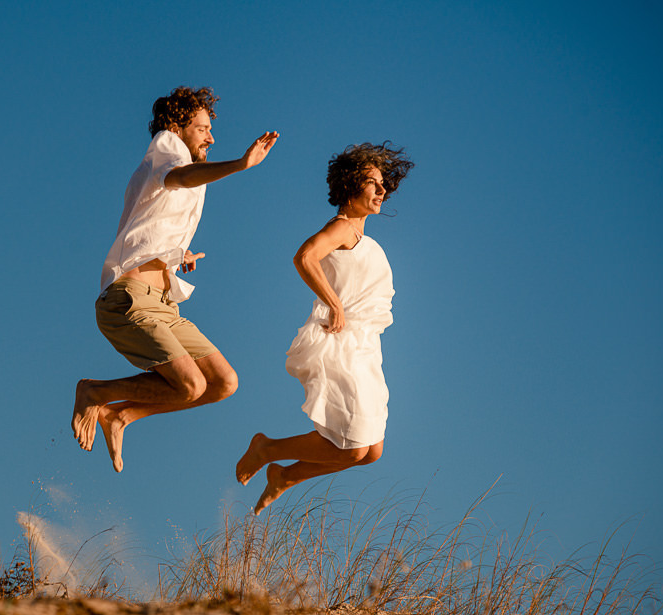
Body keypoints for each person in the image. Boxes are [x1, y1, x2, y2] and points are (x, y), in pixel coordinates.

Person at [72, 86, 279, 472]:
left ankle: (120, 416)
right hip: (128, 300)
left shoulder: (167, 169)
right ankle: (94, 391)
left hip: (162, 304)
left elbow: (150, 221)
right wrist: (240, 164)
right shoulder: (166, 151)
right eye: (202, 128)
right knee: (191, 385)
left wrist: (176, 254)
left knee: (223, 383)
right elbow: (180, 177)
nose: (211, 137)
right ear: (176, 127)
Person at [236, 142, 413, 514]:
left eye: (383, 184)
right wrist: (334, 303)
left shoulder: (365, 240)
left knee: (370, 453)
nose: (381, 191)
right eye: (372, 183)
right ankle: (266, 449)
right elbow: (305, 256)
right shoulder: (342, 228)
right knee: (353, 446)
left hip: (366, 347)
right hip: (341, 344)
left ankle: (285, 477)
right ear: (350, 185)